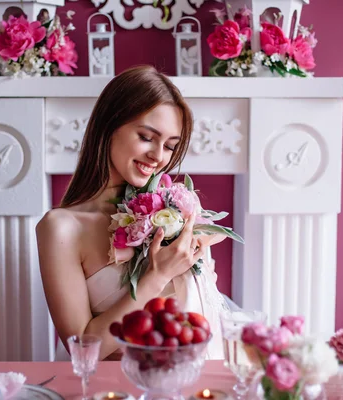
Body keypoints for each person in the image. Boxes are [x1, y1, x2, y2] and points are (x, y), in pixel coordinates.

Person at [35, 65, 230, 361]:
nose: (158, 156)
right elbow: (83, 350)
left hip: (199, 377)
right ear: (109, 125)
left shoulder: (174, 210)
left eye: (169, 146)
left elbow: (206, 308)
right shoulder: (61, 228)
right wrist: (156, 276)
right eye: (146, 136)